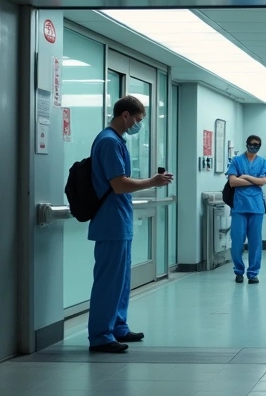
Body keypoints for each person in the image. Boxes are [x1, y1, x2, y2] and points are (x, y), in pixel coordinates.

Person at [88, 95, 173, 353]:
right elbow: (119, 183)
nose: (138, 124)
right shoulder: (109, 142)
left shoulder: (116, 141)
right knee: (109, 281)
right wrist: (152, 182)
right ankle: (101, 336)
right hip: (110, 221)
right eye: (138, 119)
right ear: (125, 115)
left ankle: (118, 327)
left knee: (122, 280)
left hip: (119, 220)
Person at [226, 135, 266, 284]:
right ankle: (239, 271)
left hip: (257, 207)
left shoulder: (263, 162)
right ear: (246, 144)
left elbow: (263, 181)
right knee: (237, 241)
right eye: (251, 144)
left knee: (255, 242)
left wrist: (244, 177)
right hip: (240, 206)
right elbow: (232, 182)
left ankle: (253, 273)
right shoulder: (237, 160)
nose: (254, 146)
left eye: (257, 144)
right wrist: (254, 180)